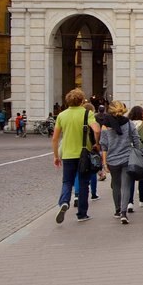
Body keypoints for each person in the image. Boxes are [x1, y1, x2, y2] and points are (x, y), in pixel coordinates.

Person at [52, 88, 100, 223]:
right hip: (84, 153)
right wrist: (96, 143)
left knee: (67, 181)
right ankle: (82, 214)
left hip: (67, 153)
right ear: (81, 101)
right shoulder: (87, 113)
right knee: (84, 183)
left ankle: (64, 202)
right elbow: (96, 129)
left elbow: (55, 138)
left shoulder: (62, 115)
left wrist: (56, 156)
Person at [98, 100, 143, 225]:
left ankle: (117, 210)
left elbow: (104, 145)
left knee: (115, 185)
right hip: (127, 158)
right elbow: (136, 138)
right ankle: (124, 212)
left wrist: (104, 162)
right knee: (126, 185)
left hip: (112, 159)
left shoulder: (105, 125)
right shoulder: (128, 123)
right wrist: (137, 151)